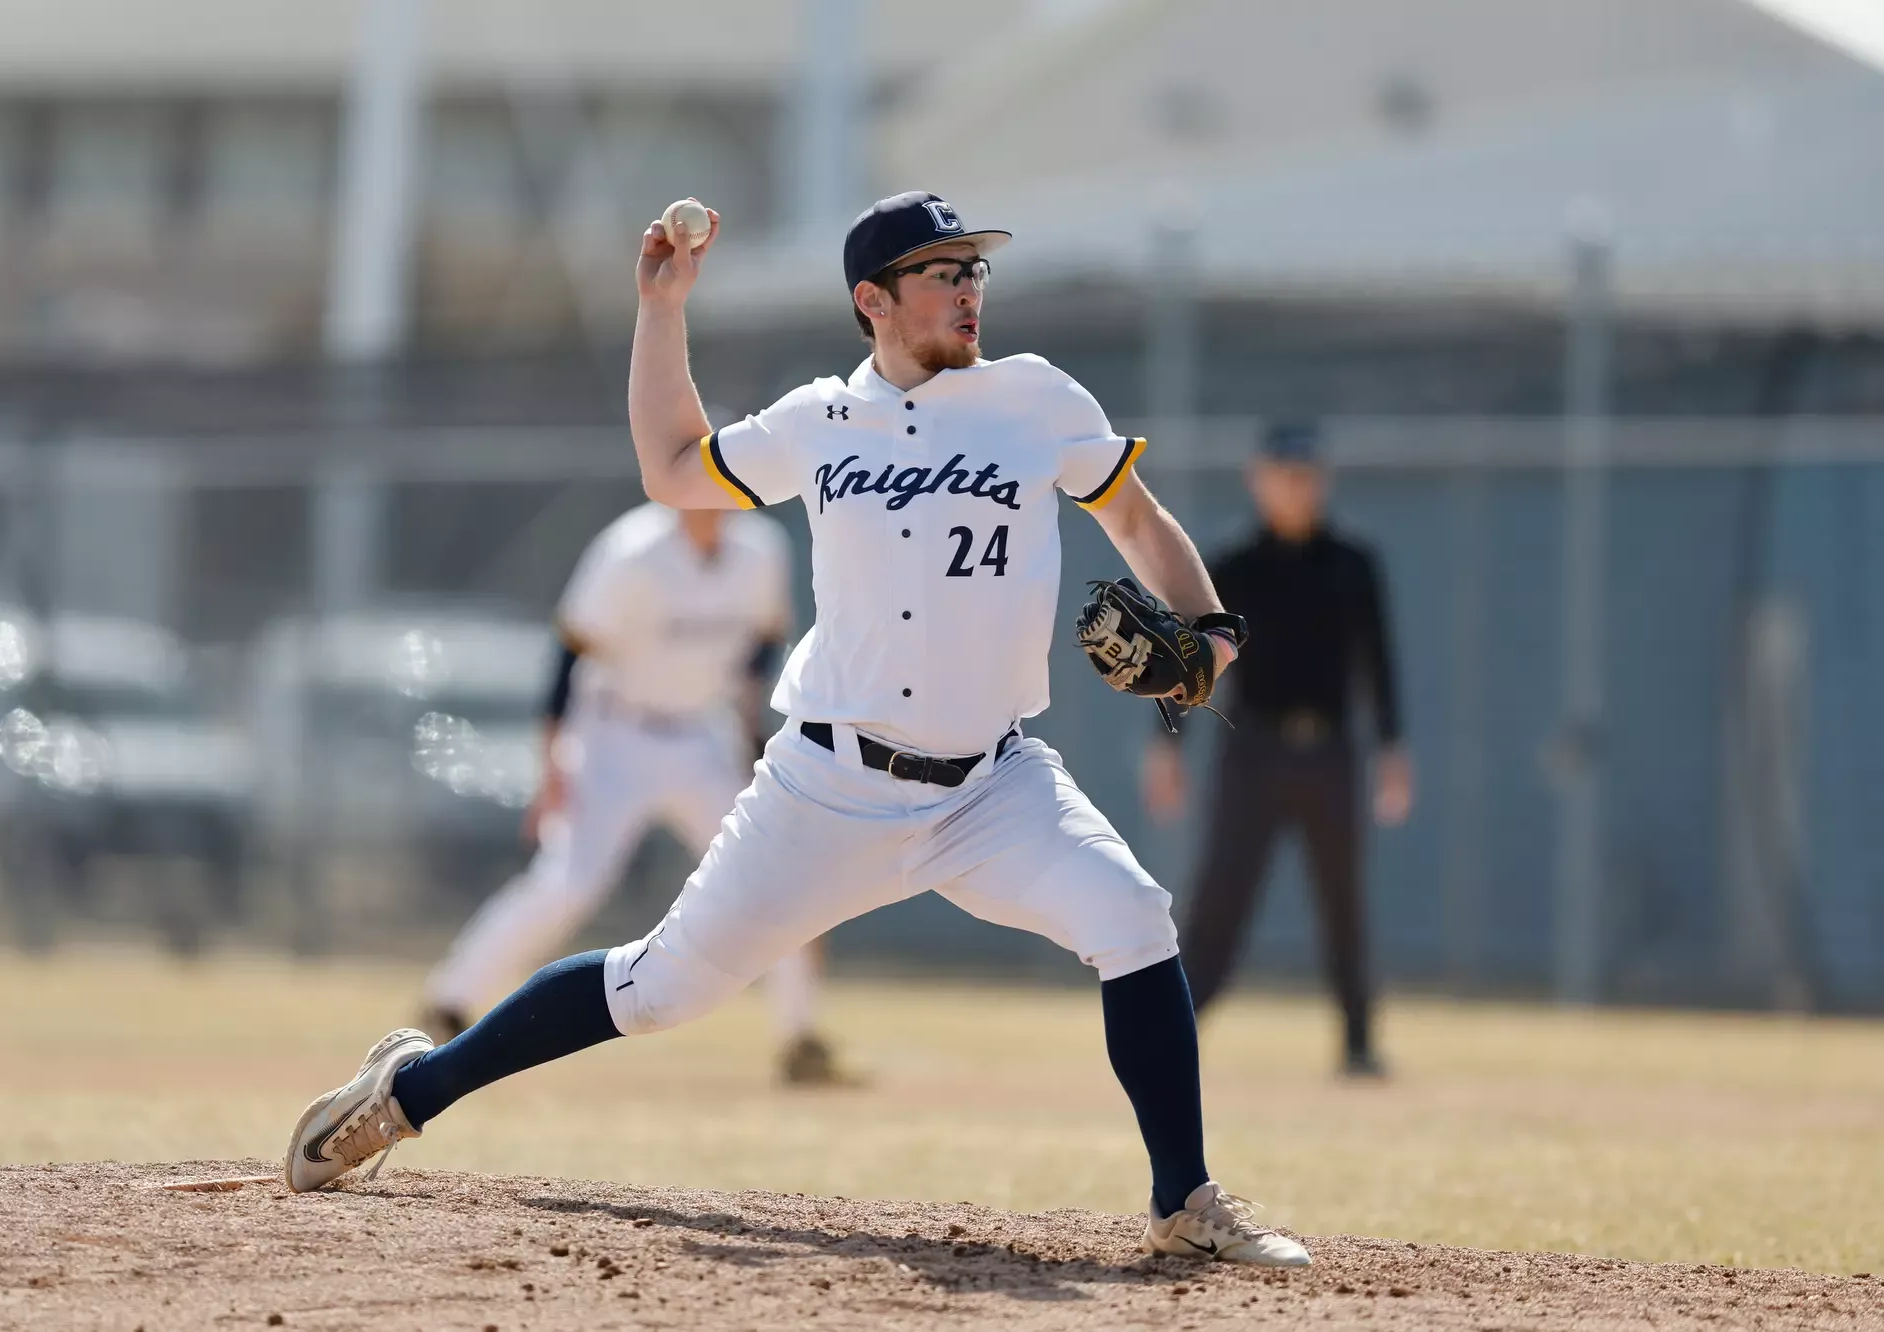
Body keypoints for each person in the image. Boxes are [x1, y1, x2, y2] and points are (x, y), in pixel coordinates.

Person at [283, 191, 1310, 1267]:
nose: (969, 289)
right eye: (942, 272)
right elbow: (671, 469)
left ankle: (1183, 1202)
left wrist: (1212, 633)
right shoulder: (817, 421)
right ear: (874, 300)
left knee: (1133, 919)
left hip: (991, 787)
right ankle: (409, 1092)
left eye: (974, 270)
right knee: (655, 990)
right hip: (828, 787)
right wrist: (661, 311)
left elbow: (1135, 516)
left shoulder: (1035, 397)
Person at [418, 500, 848, 1086]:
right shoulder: (632, 551)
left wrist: (750, 731)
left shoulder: (760, 548)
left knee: (771, 872)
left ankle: (801, 1038)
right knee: (568, 882)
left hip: (701, 735)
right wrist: (552, 763)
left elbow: (765, 642)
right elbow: (570, 654)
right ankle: (449, 1000)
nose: (710, 495)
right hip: (614, 735)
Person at [1144, 421, 1412, 1078]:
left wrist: (1392, 749)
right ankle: (1172, 1033)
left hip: (1332, 754)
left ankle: (1358, 1044)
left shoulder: (1353, 563)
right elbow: (1190, 661)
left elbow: (1378, 661)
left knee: (1343, 901)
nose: (1295, 488)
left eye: (1305, 476)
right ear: (1258, 481)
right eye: (1283, 476)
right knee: (1220, 897)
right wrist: (1168, 747)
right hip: (1253, 753)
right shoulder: (1233, 567)